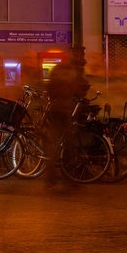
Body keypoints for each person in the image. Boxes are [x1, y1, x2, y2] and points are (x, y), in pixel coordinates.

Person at [43, 57, 89, 191]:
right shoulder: (68, 79)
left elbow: (50, 92)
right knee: (68, 146)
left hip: (56, 114)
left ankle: (52, 180)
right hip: (63, 115)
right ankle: (67, 179)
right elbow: (79, 91)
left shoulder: (54, 79)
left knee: (55, 147)